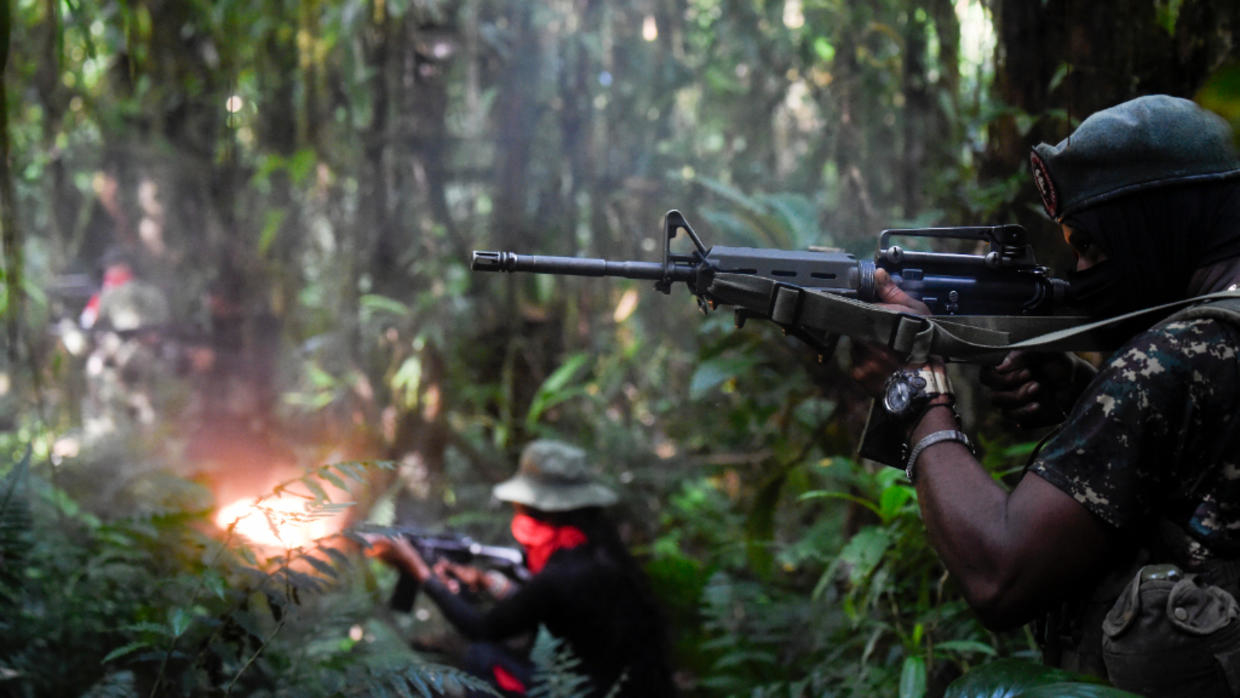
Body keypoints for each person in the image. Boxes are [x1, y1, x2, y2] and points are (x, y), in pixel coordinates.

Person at [851, 94, 1240, 697]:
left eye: (1092, 246)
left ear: (1160, 225)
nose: (1079, 273)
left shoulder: (1174, 355)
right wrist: (1085, 392)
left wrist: (918, 386)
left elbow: (1000, 574)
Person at [368, 439, 676, 697]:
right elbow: (559, 608)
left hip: (589, 691)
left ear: (539, 510)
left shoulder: (562, 575)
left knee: (481, 658)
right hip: (638, 686)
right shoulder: (601, 551)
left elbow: (482, 629)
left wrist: (417, 569)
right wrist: (490, 583)